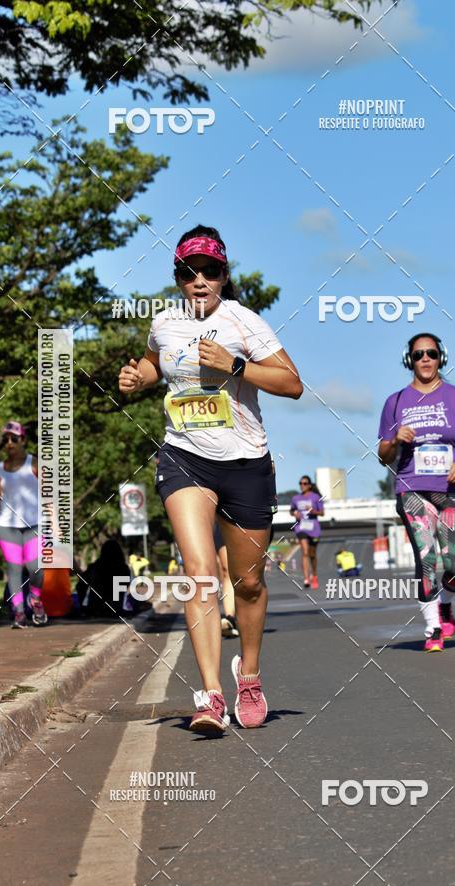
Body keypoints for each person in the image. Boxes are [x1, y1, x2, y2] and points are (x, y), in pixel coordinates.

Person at [118, 224, 303, 734]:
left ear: (224, 274)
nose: (199, 280)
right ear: (177, 277)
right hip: (185, 457)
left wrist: (236, 365)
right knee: (199, 572)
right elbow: (154, 363)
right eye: (189, 271)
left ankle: (250, 675)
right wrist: (138, 377)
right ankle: (210, 694)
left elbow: (292, 384)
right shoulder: (164, 323)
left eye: (210, 270)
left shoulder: (244, 321)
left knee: (248, 583)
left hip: (245, 463)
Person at [377, 334, 455, 652]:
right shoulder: (396, 402)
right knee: (426, 556)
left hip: (449, 490)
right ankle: (433, 628)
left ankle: (445, 604)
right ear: (409, 360)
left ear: (441, 357)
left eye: (431, 353)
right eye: (418, 355)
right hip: (411, 487)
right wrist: (394, 440)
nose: (425, 359)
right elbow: (383, 455)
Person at [0, 422, 46, 628]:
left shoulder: (35, 463)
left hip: (35, 524)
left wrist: (55, 522)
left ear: (23, 440)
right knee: (14, 569)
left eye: (14, 439)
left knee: (35, 568)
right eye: (6, 439)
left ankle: (35, 600)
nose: (9, 443)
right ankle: (19, 613)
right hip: (7, 525)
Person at [77, 539, 132, 617]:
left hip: (94, 609)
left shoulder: (95, 567)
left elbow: (81, 585)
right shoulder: (124, 569)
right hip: (115, 610)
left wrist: (81, 606)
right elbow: (124, 588)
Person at [290, 476, 324, 588]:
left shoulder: (316, 497)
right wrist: (295, 513)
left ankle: (314, 575)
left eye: (304, 483)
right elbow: (292, 510)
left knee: (312, 554)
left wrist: (313, 511)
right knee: (305, 552)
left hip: (313, 528)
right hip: (301, 527)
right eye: (300, 483)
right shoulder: (295, 498)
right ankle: (306, 579)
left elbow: (322, 513)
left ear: (309, 485)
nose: (302, 485)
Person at [215, 520, 238, 638]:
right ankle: (230, 619)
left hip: (247, 517)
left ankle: (247, 616)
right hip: (221, 520)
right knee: (227, 569)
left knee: (249, 576)